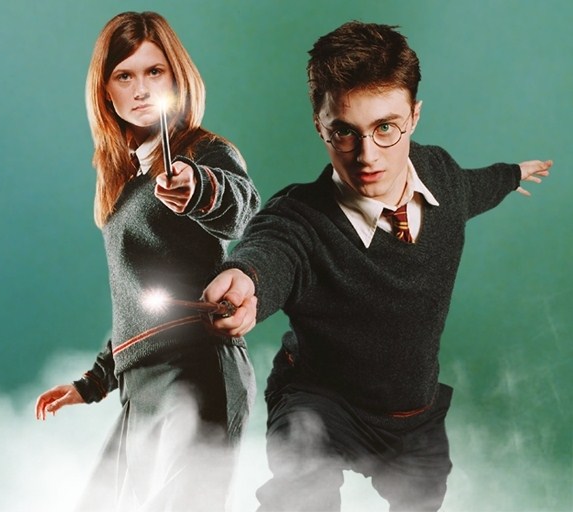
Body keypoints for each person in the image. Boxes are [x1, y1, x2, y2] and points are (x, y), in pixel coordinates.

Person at [203, 20, 552, 512]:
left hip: (412, 413)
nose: (367, 156)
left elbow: (476, 187)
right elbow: (271, 251)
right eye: (344, 132)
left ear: (414, 116)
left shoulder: (441, 175)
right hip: (319, 399)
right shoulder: (299, 218)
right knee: (301, 494)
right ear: (320, 125)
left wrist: (513, 175)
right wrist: (246, 280)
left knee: (423, 501)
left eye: (386, 128)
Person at [34, 11, 259, 512]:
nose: (141, 89)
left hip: (195, 371)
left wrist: (199, 189)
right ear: (106, 93)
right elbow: (137, 299)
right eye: (124, 75)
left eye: (154, 71)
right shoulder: (124, 184)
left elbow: (244, 208)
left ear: (176, 78)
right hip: (139, 388)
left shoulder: (204, 153)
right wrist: (93, 382)